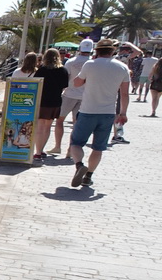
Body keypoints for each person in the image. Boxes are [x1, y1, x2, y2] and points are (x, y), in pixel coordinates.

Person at [68, 38, 130, 187]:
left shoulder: (90, 64)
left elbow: (77, 83)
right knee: (98, 147)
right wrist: (123, 113)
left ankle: (79, 165)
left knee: (76, 143)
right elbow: (125, 94)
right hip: (107, 112)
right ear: (113, 51)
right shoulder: (122, 67)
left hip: (87, 110)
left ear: (97, 51)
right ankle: (88, 176)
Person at [51, 39, 95, 155]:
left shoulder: (71, 62)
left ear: (80, 48)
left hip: (69, 94)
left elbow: (66, 78)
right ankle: (71, 149)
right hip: (85, 96)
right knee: (76, 123)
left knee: (60, 120)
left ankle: (57, 146)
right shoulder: (93, 63)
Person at [32, 48, 68, 160]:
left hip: (42, 101)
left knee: (40, 127)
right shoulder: (63, 70)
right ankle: (41, 150)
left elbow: (35, 84)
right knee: (47, 127)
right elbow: (64, 86)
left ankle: (37, 152)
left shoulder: (42, 70)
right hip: (55, 101)